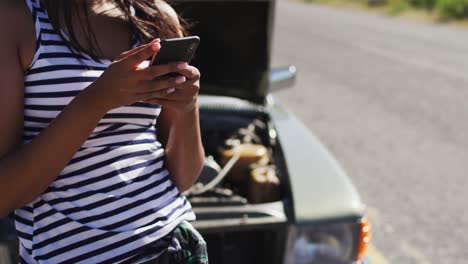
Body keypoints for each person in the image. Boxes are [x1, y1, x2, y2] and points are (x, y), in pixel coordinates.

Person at [0, 0, 207, 263]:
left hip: (174, 246)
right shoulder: (15, 17)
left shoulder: (155, 16)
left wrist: (188, 108)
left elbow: (184, 178)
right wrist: (97, 99)